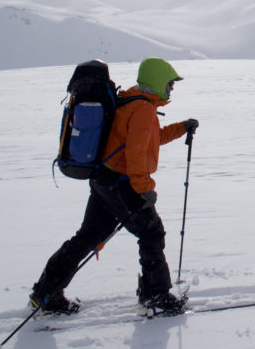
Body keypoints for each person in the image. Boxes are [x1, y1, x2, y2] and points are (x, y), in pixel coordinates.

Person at [30, 57, 199, 315]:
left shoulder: (132, 101)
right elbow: (136, 154)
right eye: (169, 84)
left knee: (87, 236)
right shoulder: (142, 109)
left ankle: (45, 292)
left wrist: (180, 128)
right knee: (152, 234)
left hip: (103, 182)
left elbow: (149, 139)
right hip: (122, 184)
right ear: (156, 81)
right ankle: (155, 296)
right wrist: (144, 190)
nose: (171, 89)